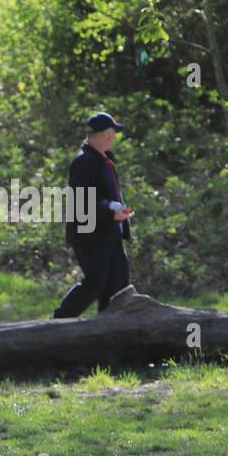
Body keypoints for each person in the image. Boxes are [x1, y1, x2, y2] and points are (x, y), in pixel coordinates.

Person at [53, 112, 134, 318]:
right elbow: (83, 201)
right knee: (96, 282)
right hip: (90, 235)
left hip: (109, 234)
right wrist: (110, 211)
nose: (114, 137)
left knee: (118, 284)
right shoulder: (85, 162)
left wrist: (118, 212)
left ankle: (110, 328)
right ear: (105, 134)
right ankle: (59, 322)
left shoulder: (103, 160)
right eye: (112, 132)